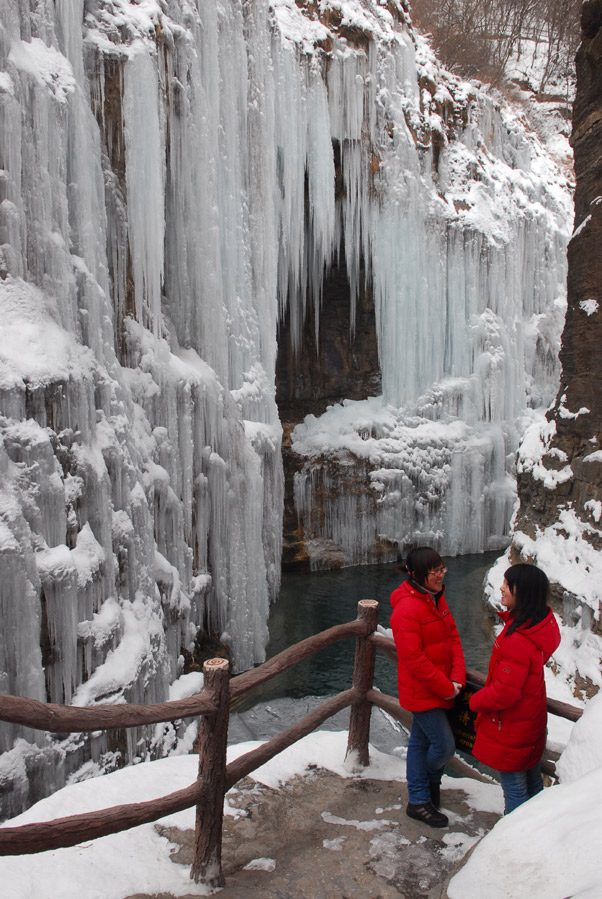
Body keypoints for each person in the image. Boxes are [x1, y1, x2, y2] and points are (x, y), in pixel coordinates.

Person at [469, 563, 561, 815]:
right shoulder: (541, 627)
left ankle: (514, 842)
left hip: (511, 726)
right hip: (531, 721)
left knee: (514, 788)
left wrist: (475, 701)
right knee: (532, 781)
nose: (501, 587)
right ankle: (538, 829)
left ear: (523, 592)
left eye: (507, 584)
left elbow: (504, 692)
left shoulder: (517, 640)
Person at [390, 546, 466, 828]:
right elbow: (413, 659)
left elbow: (453, 638)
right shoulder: (406, 609)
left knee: (420, 744)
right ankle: (428, 786)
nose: (440, 575)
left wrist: (457, 677)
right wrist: (446, 687)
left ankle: (420, 800)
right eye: (435, 572)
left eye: (442, 569)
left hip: (442, 686)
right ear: (419, 575)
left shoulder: (436, 598)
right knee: (445, 747)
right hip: (422, 691)